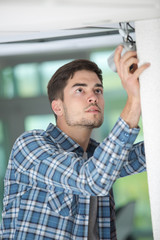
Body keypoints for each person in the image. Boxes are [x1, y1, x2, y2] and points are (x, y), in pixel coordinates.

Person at [0, 45, 150, 240]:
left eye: (98, 90)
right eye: (80, 90)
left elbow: (148, 154)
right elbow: (91, 179)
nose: (93, 97)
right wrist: (134, 100)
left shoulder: (99, 158)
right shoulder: (30, 146)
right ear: (57, 107)